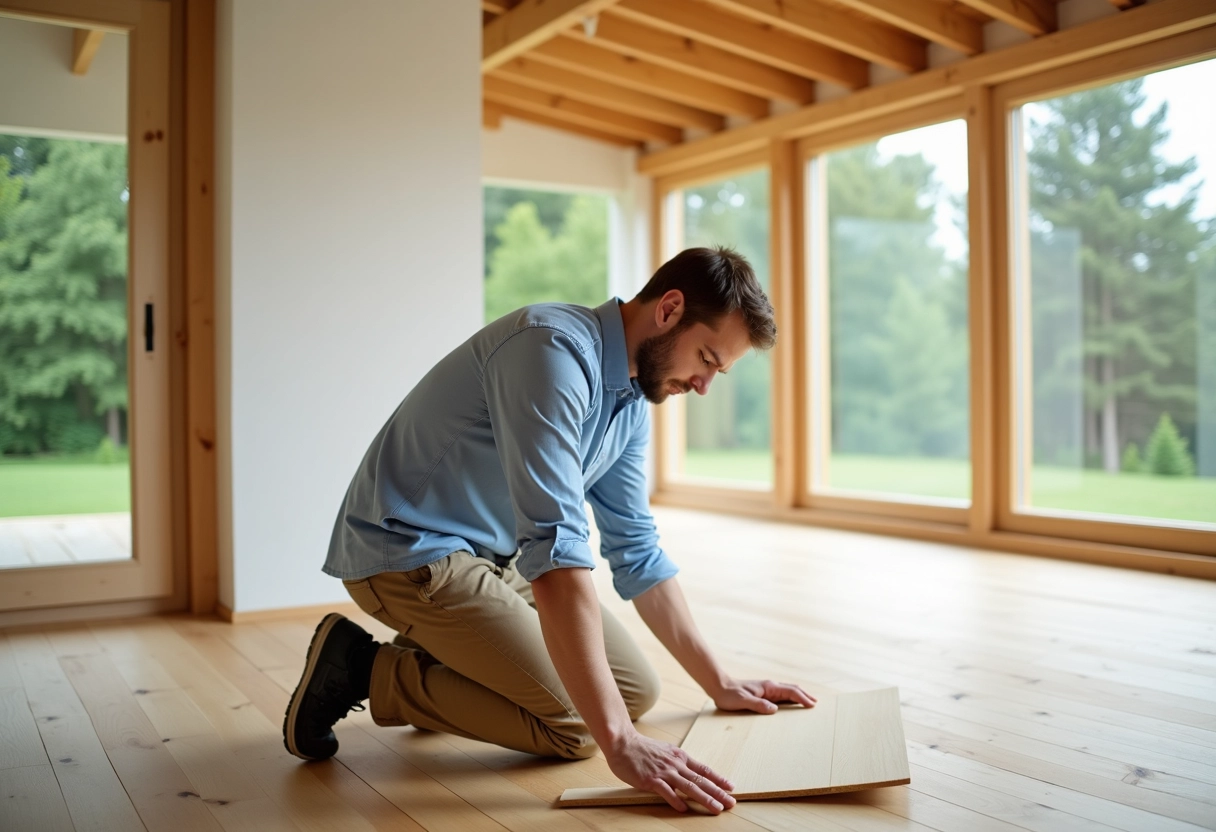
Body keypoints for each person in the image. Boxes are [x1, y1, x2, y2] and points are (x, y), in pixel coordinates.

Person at [283, 246, 816, 814]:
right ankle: (365, 668)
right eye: (707, 358)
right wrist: (620, 744)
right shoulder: (551, 349)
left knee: (635, 691)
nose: (706, 384)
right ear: (670, 309)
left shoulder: (630, 403)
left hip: (491, 557)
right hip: (409, 552)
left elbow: (636, 549)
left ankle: (443, 645)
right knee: (579, 730)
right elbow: (557, 549)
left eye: (719, 371)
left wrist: (720, 682)